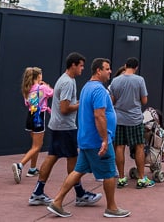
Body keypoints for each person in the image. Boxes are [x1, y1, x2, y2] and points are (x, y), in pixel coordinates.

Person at [47, 58, 130, 219]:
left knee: (78, 171)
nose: (110, 71)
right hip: (97, 141)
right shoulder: (98, 90)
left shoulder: (87, 87)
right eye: (107, 69)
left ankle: (57, 201)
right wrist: (105, 139)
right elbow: (99, 115)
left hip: (86, 140)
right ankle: (111, 208)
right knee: (110, 174)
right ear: (98, 71)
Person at [28, 52, 102, 208]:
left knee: (52, 156)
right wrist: (82, 104)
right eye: (81, 65)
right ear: (73, 65)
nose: (82, 69)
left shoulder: (65, 79)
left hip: (57, 126)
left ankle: (38, 192)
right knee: (73, 160)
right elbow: (64, 108)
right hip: (65, 127)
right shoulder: (68, 82)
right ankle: (80, 194)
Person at [109, 57, 154, 190]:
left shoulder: (115, 81)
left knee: (119, 147)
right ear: (136, 68)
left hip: (119, 119)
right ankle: (141, 179)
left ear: (125, 65)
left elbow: (112, 100)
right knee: (139, 146)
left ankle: (122, 178)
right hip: (135, 119)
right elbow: (144, 100)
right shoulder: (139, 80)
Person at [13, 67, 53, 182]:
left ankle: (32, 169)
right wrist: (47, 85)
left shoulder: (27, 89)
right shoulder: (43, 88)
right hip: (39, 117)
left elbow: (27, 103)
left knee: (34, 146)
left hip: (30, 117)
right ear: (38, 76)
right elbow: (53, 93)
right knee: (37, 146)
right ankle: (20, 165)